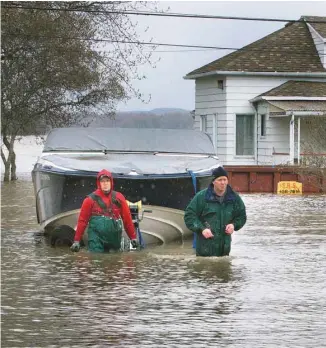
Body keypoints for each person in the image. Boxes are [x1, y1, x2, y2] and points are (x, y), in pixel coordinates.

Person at [70, 169, 139, 252]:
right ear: (99, 183)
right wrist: (77, 240)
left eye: (107, 181)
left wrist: (133, 237)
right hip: (96, 238)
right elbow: (82, 221)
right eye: (102, 181)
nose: (105, 183)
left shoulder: (119, 197)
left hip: (114, 238)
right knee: (96, 260)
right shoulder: (89, 200)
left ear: (111, 182)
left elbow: (127, 219)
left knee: (114, 261)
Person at [184, 166, 246, 257]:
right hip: (204, 250)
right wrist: (202, 229)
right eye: (220, 180)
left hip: (224, 251)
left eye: (225, 180)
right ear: (213, 182)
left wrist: (234, 225)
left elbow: (242, 216)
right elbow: (189, 216)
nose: (223, 183)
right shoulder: (201, 197)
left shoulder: (234, 198)